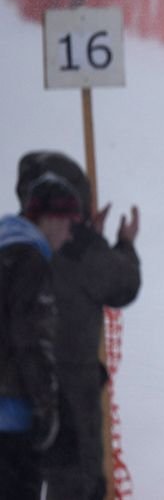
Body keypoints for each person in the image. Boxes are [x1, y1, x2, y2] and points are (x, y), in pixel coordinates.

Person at [15, 152, 141, 500]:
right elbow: (124, 285)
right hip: (73, 394)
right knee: (76, 484)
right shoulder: (83, 248)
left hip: (13, 393)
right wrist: (122, 244)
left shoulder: (11, 241)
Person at [0, 173, 82, 499]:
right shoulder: (30, 260)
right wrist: (47, 406)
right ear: (48, 218)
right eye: (68, 222)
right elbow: (32, 340)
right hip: (13, 421)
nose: (69, 234)